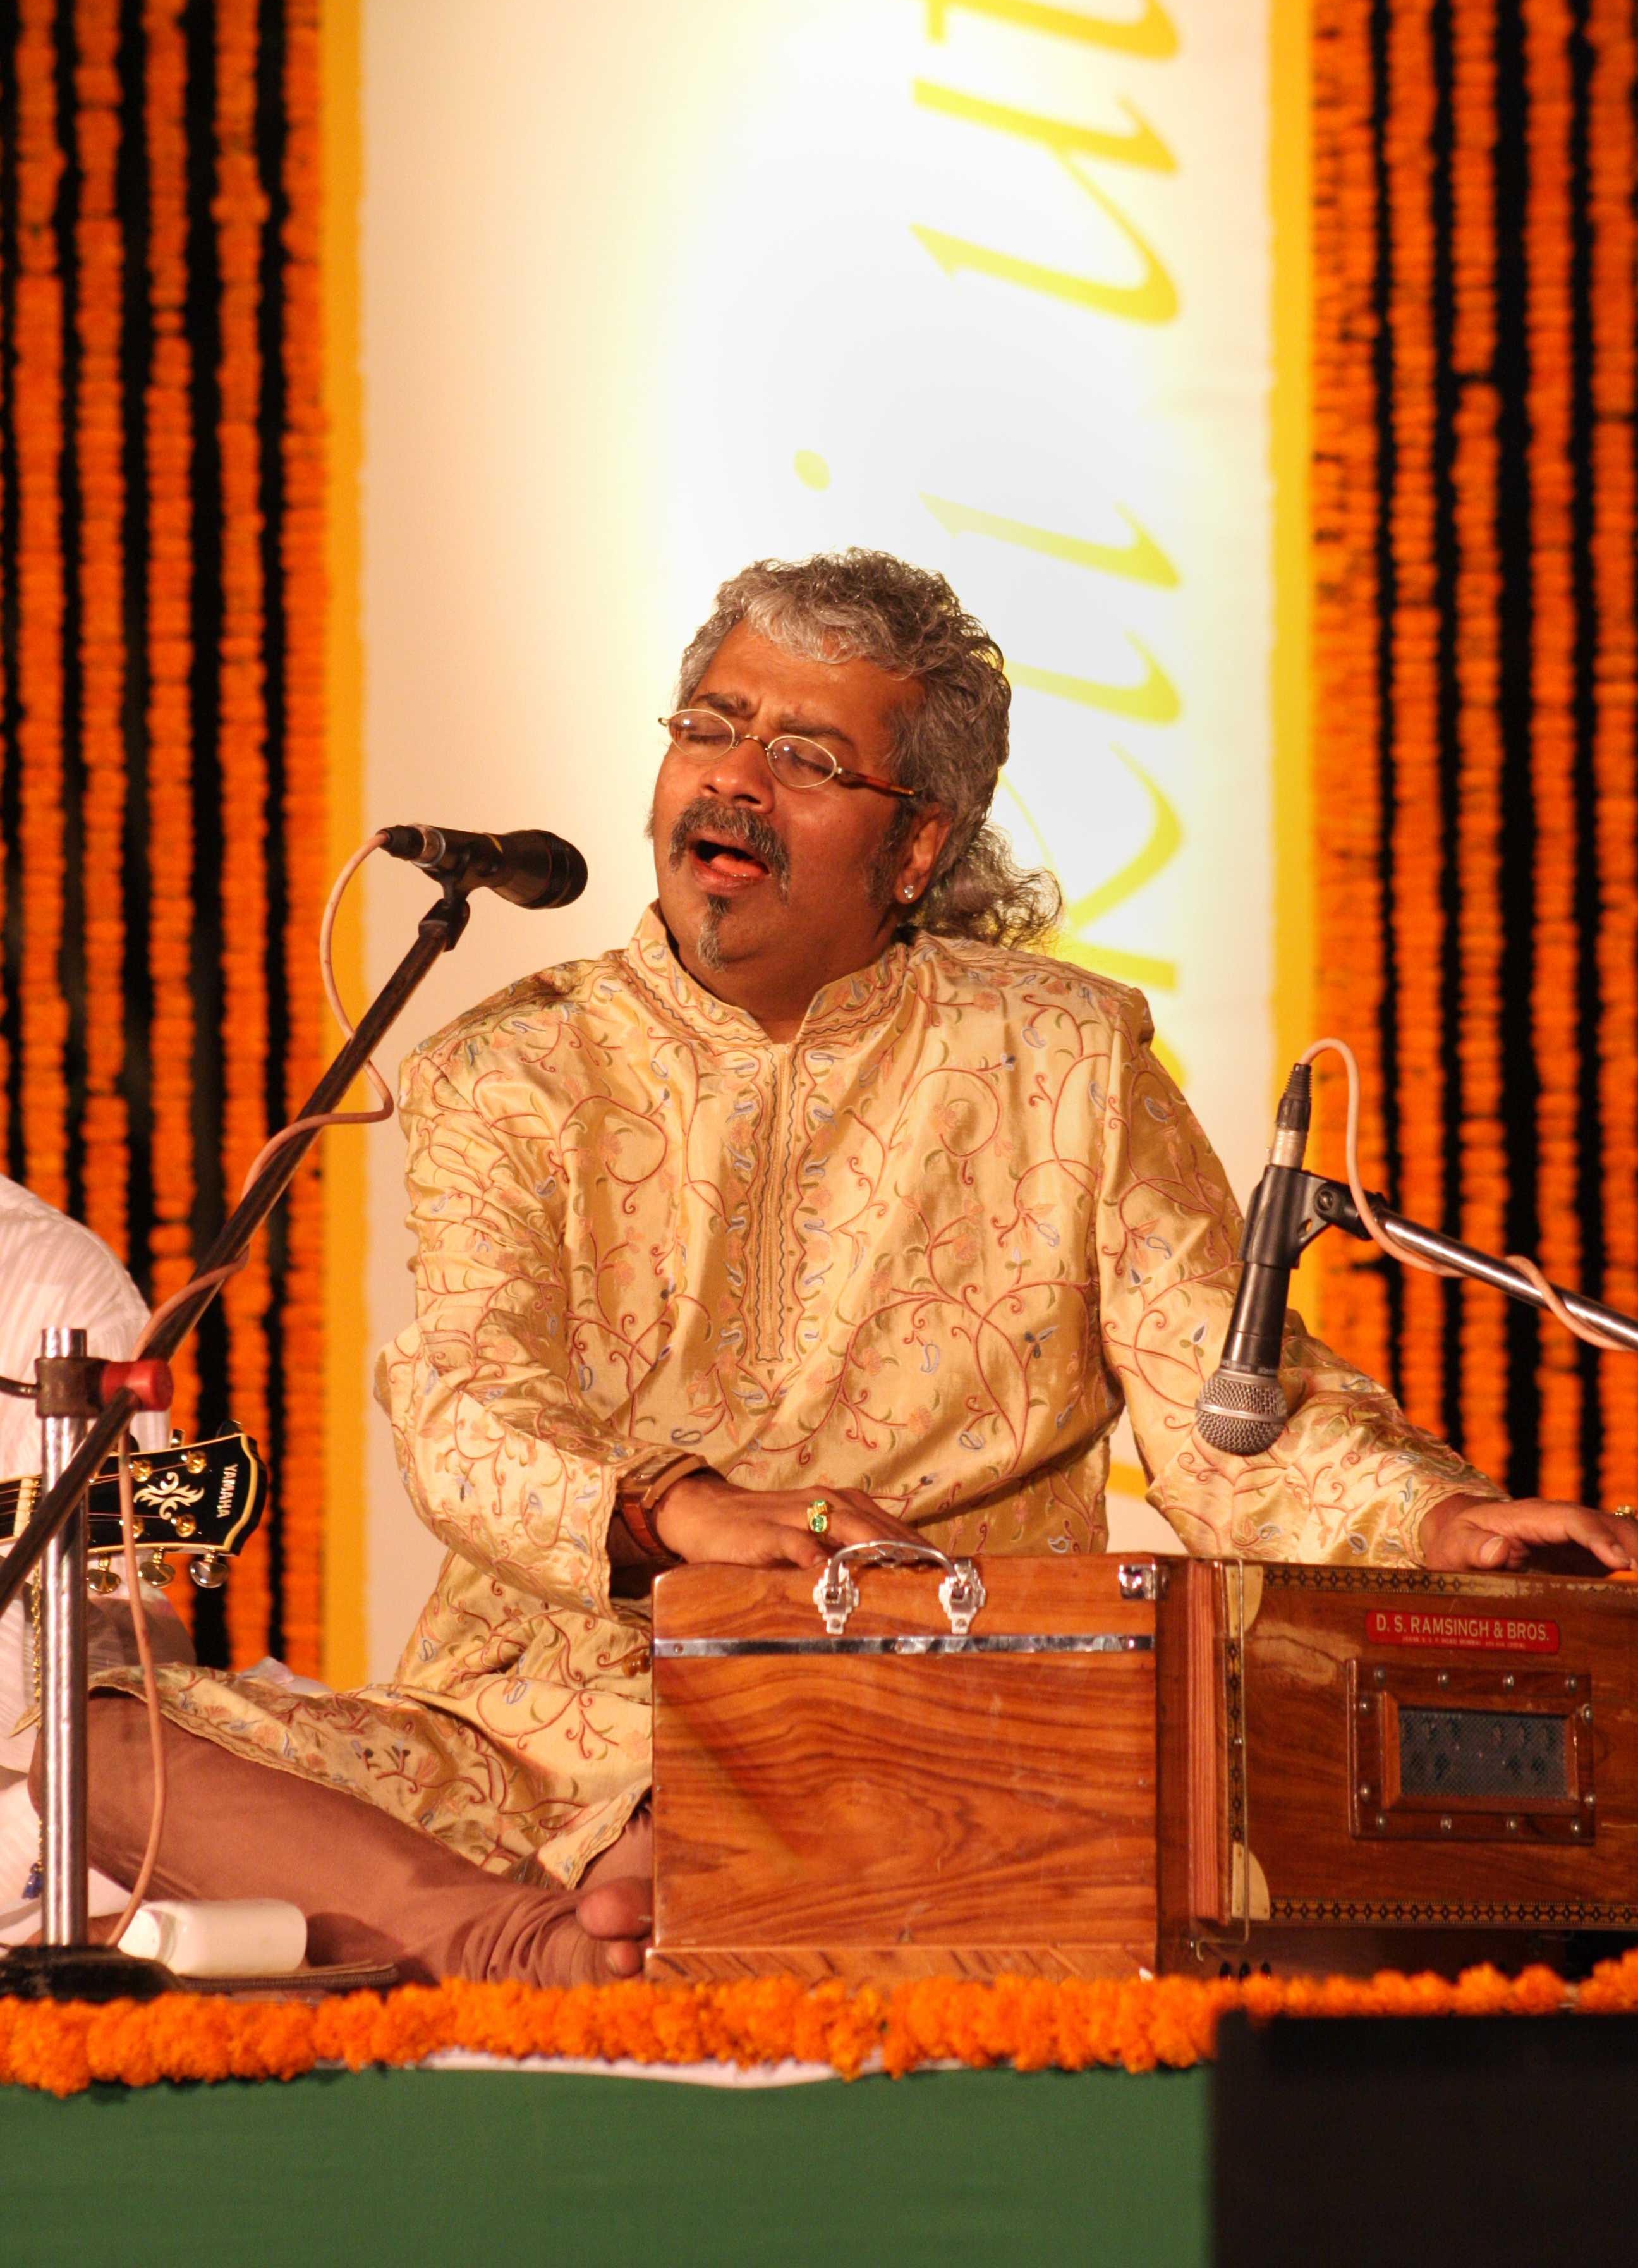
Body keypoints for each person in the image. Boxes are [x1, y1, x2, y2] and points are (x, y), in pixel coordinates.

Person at [76, 550, 1638, 1984]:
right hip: (527, 1728)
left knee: (909, 1805)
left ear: (916, 845)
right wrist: (679, 1512)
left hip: (914, 1703)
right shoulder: (513, 1063)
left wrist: (1432, 1516)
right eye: (713, 726)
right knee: (89, 1741)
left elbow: (1231, 1401)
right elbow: (467, 1404)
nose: (735, 779)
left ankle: (603, 1913)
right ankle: (528, 1934)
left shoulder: (1063, 1055)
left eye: (807, 760)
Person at [0, 1176, 190, 1934]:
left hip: (17, 1814)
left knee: (145, 1809)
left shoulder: (52, 1281)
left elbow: (127, 1647)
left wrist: (108, 1652)